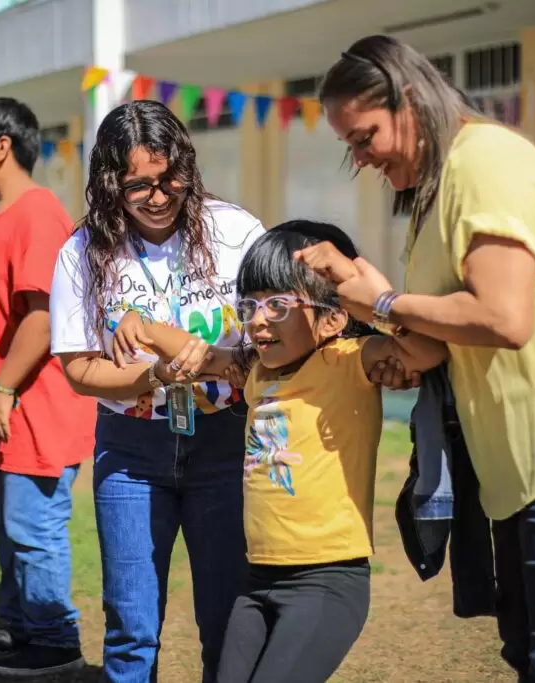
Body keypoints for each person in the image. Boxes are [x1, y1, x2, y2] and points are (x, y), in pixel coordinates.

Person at [299, 35, 535, 682]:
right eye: (350, 147)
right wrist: (361, 301)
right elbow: (431, 341)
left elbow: (503, 318)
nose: (360, 159)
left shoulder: (484, 165)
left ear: (410, 101)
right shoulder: (438, 186)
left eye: (365, 137)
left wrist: (386, 297)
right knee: (530, 653)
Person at [49, 99, 263, 683]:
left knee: (227, 618)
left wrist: (225, 360)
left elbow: (276, 337)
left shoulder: (235, 232)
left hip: (224, 442)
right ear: (109, 182)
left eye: (170, 178)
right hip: (130, 454)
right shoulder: (83, 253)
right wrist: (153, 377)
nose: (158, 195)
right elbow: (77, 368)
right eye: (137, 184)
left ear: (187, 167)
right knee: (132, 627)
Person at [196, 221, 444, 683]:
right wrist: (143, 331)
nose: (256, 319)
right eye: (249, 304)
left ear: (332, 318)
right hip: (255, 581)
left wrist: (376, 302)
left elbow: (427, 351)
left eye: (277, 304)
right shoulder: (259, 374)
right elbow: (206, 357)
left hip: (326, 581)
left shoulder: (351, 359)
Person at [0, 97, 95, 678]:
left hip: (34, 403)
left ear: (2, 145)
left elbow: (42, 317)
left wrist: (4, 388)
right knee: (5, 520)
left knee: (33, 526)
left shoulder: (37, 213)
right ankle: (21, 626)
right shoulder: (1, 212)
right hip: (9, 403)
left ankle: (55, 639)